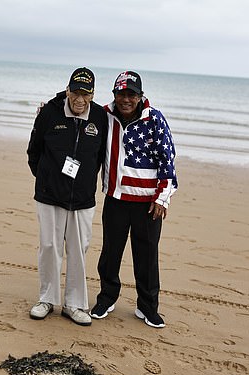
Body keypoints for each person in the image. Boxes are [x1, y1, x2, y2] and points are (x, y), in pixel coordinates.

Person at [90, 71, 178, 328]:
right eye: (121, 94)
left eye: (131, 94)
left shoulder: (155, 119)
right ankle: (107, 298)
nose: (125, 99)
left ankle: (148, 307)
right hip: (116, 198)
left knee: (147, 257)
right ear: (114, 95)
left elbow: (168, 159)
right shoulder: (104, 114)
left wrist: (163, 198)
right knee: (110, 254)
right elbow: (77, 106)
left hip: (148, 204)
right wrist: (45, 110)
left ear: (140, 96)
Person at [26, 67, 108, 326]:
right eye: (75, 93)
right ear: (67, 90)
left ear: (93, 94)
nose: (79, 100)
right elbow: (34, 151)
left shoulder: (100, 117)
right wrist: (47, 179)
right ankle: (47, 299)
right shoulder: (49, 112)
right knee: (49, 247)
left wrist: (84, 182)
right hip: (50, 195)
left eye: (85, 94)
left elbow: (99, 158)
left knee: (78, 251)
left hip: (83, 199)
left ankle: (74, 304)